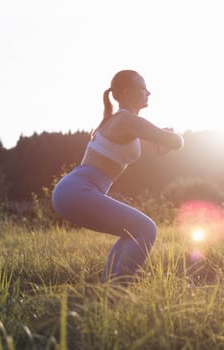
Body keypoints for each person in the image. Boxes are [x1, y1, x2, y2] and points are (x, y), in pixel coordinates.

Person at [52, 69, 184, 285]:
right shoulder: (126, 119)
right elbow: (176, 143)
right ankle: (117, 293)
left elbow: (160, 148)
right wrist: (171, 134)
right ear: (127, 92)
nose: (148, 92)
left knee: (132, 232)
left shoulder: (121, 122)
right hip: (78, 190)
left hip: (73, 190)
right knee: (145, 229)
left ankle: (109, 292)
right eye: (143, 88)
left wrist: (163, 138)